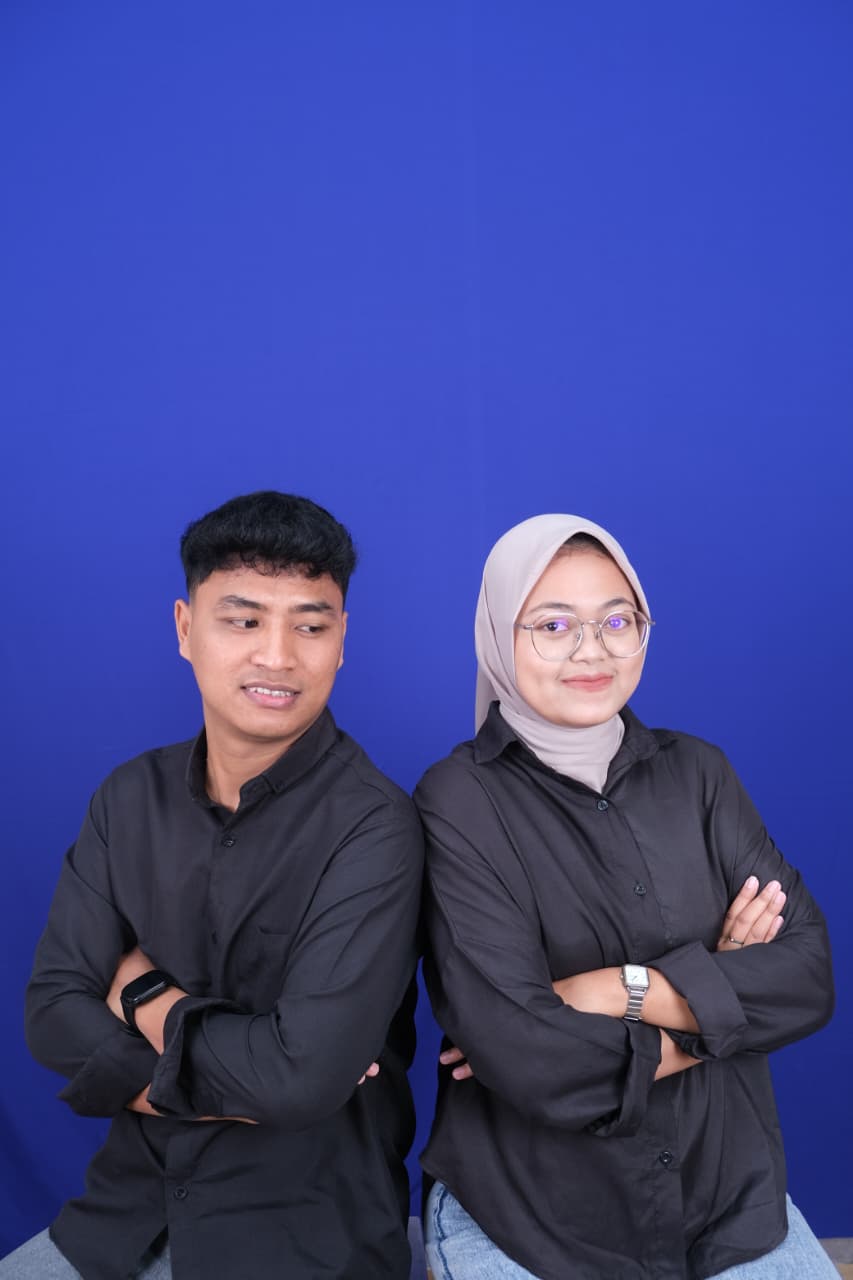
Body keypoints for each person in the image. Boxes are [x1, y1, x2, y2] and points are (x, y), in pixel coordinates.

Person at [3, 491, 424, 1280]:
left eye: (310, 625)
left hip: (303, 1236)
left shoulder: (378, 827)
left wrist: (141, 994)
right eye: (243, 619)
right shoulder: (128, 799)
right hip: (122, 1215)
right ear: (184, 628)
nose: (278, 655)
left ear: (341, 640)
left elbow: (297, 1081)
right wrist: (246, 1082)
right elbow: (51, 1015)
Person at [415, 514, 835, 1280]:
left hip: (727, 1200)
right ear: (498, 636)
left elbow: (806, 978)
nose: (592, 650)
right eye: (553, 625)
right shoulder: (458, 800)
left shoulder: (699, 773)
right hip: (536, 1217)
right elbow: (527, 1056)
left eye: (617, 620)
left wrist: (620, 989)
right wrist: (716, 1008)